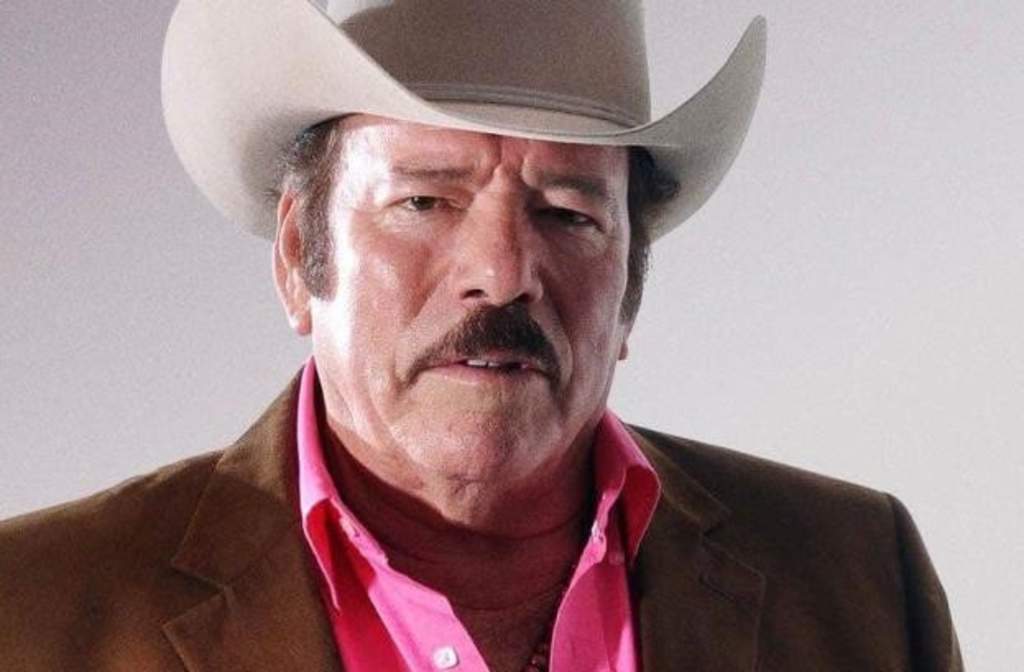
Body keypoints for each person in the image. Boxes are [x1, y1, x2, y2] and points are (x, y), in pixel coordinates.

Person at [0, 1, 962, 670]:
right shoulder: (32, 612)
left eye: (569, 213)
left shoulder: (858, 580)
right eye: (424, 201)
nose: (502, 273)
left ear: (629, 285)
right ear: (298, 255)